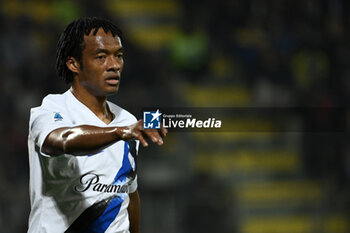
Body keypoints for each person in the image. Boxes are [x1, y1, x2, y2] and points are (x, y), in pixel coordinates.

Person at [27, 17, 167, 233]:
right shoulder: (51, 109)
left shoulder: (128, 120)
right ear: (73, 64)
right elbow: (61, 140)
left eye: (118, 56)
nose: (114, 65)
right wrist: (120, 133)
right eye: (101, 57)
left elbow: (128, 192)